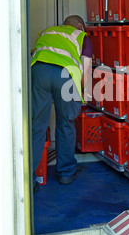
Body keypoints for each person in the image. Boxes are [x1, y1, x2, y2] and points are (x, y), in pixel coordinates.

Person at [31, 15, 92, 193]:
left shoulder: (47, 31)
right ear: (80, 26)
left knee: (37, 126)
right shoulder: (82, 36)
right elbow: (85, 69)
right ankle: (65, 174)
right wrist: (84, 93)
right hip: (66, 75)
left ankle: (31, 178)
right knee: (66, 123)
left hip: (39, 72)